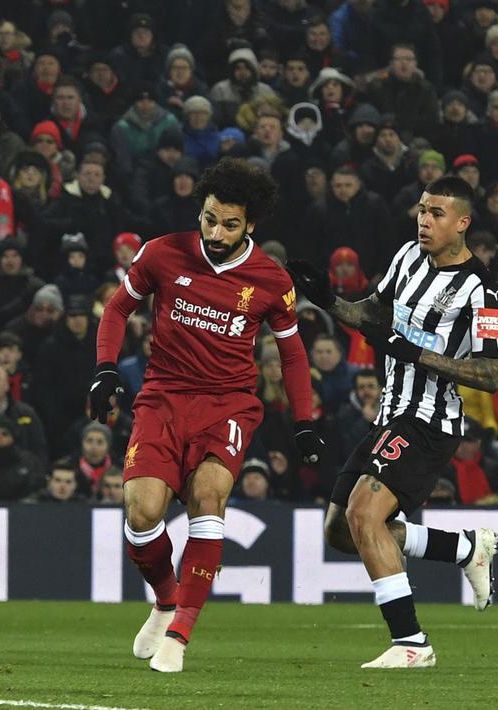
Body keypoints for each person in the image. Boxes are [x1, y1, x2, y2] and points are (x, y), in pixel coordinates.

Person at [88, 158, 324, 673]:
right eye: (210, 218)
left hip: (229, 404)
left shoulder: (269, 280)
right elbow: (115, 309)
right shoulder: (162, 253)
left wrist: (303, 421)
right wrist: (105, 369)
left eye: (230, 224)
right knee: (141, 513)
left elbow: (292, 354)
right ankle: (166, 598)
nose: (216, 232)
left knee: (208, 498)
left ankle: (180, 631)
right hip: (163, 398)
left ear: (252, 225)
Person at [288, 176, 498, 669]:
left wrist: (422, 356)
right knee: (341, 530)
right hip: (391, 413)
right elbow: (373, 315)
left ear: (463, 223)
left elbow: (493, 374)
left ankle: (411, 643)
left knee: (365, 515)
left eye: (437, 214)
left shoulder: (481, 289)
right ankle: (465, 549)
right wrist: (327, 298)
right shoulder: (407, 256)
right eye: (422, 210)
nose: (424, 220)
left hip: (429, 421)